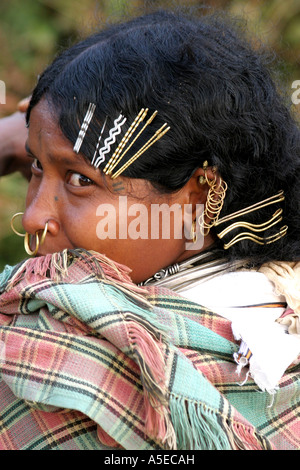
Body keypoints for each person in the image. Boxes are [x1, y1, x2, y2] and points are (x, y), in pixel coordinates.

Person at [0, 9, 300, 451]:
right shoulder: (277, 314)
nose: (32, 218)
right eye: (36, 169)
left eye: (80, 180)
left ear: (199, 196)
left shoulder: (50, 360)